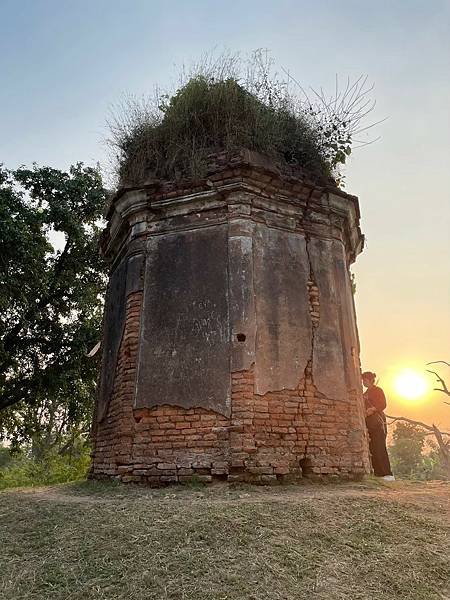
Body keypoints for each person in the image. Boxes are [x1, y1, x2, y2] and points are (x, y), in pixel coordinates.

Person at [362, 371, 395, 481]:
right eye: (363, 380)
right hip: (369, 424)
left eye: (365, 380)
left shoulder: (378, 390)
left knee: (380, 447)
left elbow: (383, 404)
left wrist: (373, 409)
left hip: (378, 423)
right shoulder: (365, 393)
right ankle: (378, 473)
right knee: (372, 448)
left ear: (371, 380)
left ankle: (387, 474)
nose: (363, 382)